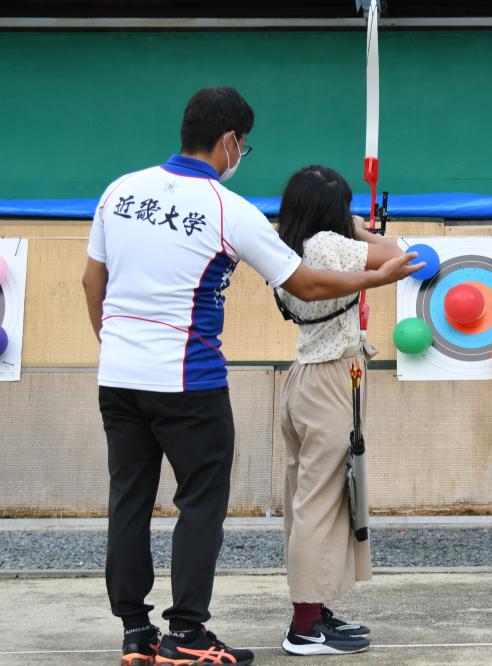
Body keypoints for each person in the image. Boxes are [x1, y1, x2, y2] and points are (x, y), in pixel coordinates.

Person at [81, 87, 421, 666]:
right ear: (230, 141)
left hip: (118, 376)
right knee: (200, 504)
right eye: (245, 145)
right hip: (189, 379)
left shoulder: (119, 191)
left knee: (129, 502)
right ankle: (186, 632)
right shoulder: (226, 208)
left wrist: (115, 346)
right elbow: (305, 282)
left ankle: (136, 633)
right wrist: (376, 280)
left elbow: (93, 283)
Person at [272, 165, 403, 656]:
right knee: (321, 502)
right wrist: (358, 228)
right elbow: (402, 254)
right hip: (331, 378)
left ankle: (314, 609)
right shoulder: (331, 245)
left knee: (308, 499)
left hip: (304, 376)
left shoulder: (286, 245)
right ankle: (305, 623)